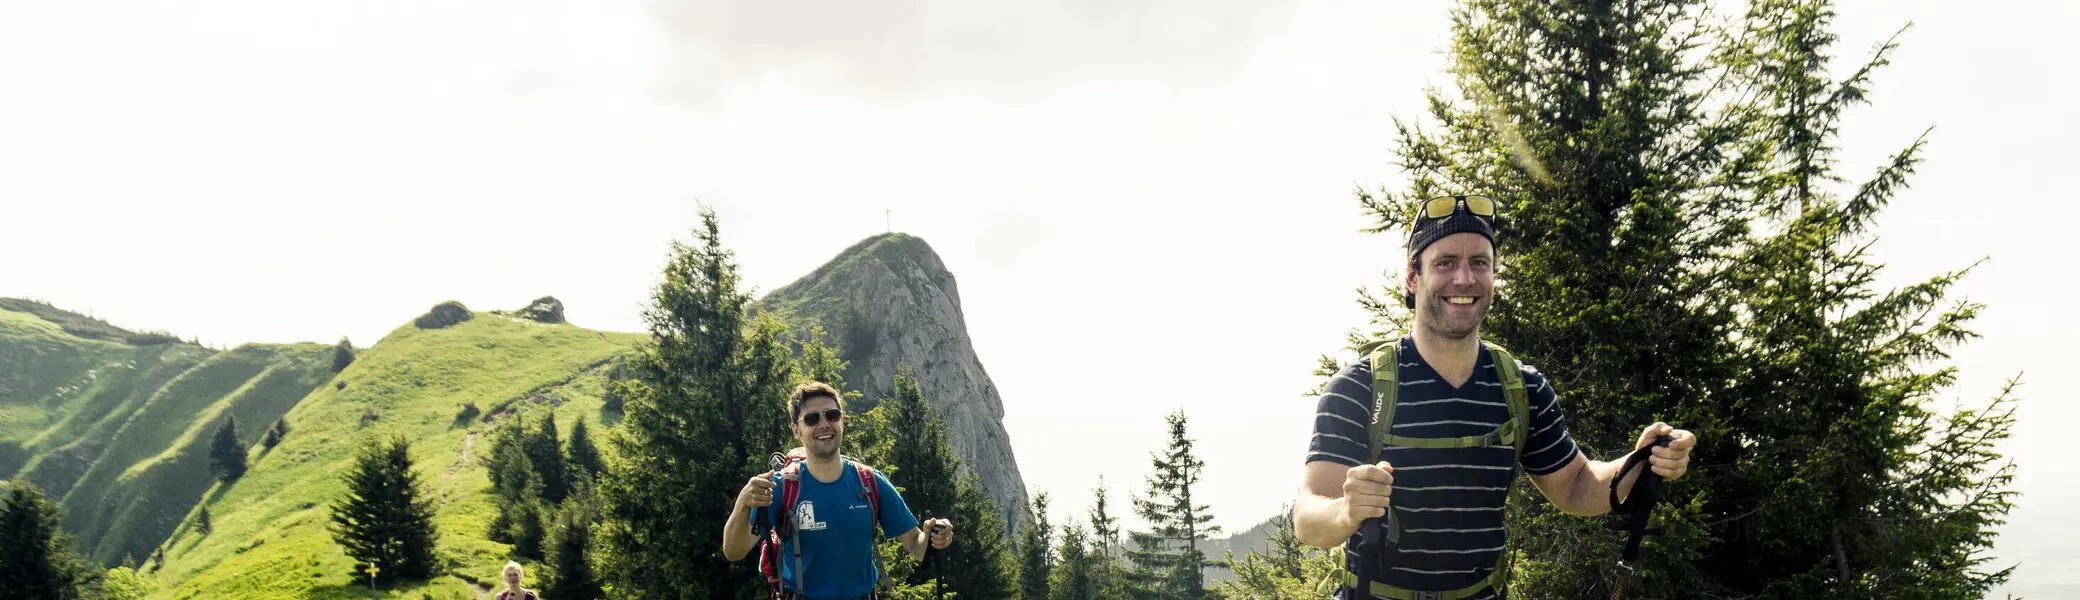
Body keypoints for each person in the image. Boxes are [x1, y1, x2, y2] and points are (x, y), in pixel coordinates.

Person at [1292, 194, 1698, 600]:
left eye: (1479, 263)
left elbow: (1574, 486)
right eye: (1445, 262)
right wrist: (1347, 510)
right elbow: (1308, 518)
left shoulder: (1521, 389)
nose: (1464, 279)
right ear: (1412, 278)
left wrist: (1639, 462)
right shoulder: (1360, 388)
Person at [722, 381, 955, 599]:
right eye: (812, 419)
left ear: (841, 421)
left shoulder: (870, 482)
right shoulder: (782, 487)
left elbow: (916, 545)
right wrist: (742, 504)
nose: (824, 424)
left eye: (832, 415)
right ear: (796, 430)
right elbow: (734, 551)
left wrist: (934, 535)